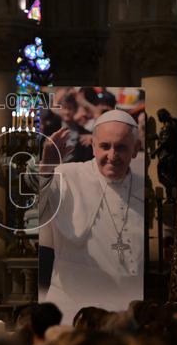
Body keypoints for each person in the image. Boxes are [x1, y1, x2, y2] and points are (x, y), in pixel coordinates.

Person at [36, 109, 144, 322]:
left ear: (135, 149)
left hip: (126, 312)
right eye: (104, 146)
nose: (112, 156)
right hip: (72, 310)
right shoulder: (67, 175)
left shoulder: (143, 186)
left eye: (121, 147)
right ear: (93, 146)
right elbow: (33, 211)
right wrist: (47, 166)